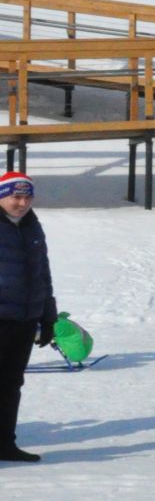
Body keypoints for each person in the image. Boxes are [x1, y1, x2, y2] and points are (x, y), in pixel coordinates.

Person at [0, 170, 56, 463]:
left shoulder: (33, 227)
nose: (22, 203)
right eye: (15, 197)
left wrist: (48, 317)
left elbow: (42, 274)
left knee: (11, 383)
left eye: (27, 197)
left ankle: (5, 443)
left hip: (24, 318)